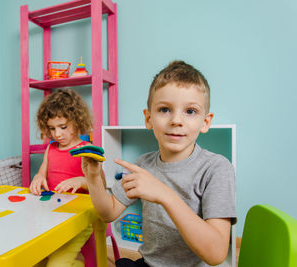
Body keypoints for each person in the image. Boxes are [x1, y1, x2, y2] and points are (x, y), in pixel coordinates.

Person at [82, 61, 236, 267]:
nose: (176, 120)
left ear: (205, 122)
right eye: (164, 109)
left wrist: (164, 194)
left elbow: (216, 254)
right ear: (148, 118)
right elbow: (108, 213)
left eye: (190, 111)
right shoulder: (143, 165)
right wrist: (93, 179)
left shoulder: (217, 168)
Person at [30, 89, 94, 267]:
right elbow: (42, 173)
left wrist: (81, 181)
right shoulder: (51, 148)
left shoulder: (86, 149)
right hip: (51, 216)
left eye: (63, 127)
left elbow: (99, 184)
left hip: (78, 219)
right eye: (52, 128)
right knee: (33, 260)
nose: (57, 134)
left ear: (77, 121)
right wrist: (38, 178)